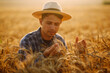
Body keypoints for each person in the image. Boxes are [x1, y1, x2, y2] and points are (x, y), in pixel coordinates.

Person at [18, 1, 86, 59]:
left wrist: (79, 54)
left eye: (56, 24)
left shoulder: (60, 41)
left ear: (60, 23)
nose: (53, 28)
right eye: (49, 23)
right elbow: (24, 65)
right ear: (41, 21)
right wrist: (44, 56)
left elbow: (66, 65)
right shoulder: (27, 40)